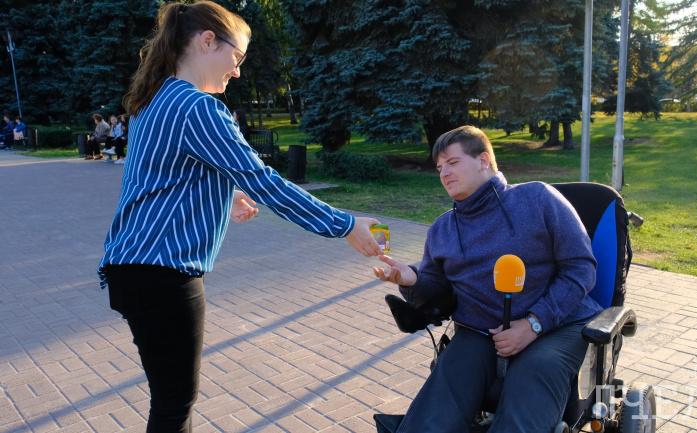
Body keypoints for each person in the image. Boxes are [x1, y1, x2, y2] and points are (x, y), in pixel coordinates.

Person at [98, 2, 381, 432]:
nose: (238, 71)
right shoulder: (198, 107)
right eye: (237, 57)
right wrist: (343, 224)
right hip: (164, 273)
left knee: (171, 401)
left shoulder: (152, 101)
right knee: (174, 405)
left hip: (131, 267)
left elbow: (158, 178)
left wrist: (224, 194)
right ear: (207, 41)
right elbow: (266, 182)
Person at [373, 125, 602, 433]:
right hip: (481, 331)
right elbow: (438, 294)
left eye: (452, 162)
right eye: (439, 168)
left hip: (558, 325)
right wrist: (411, 279)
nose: (444, 173)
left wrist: (534, 323)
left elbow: (580, 268)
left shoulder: (537, 198)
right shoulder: (443, 229)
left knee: (533, 374)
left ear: (483, 160)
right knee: (437, 408)